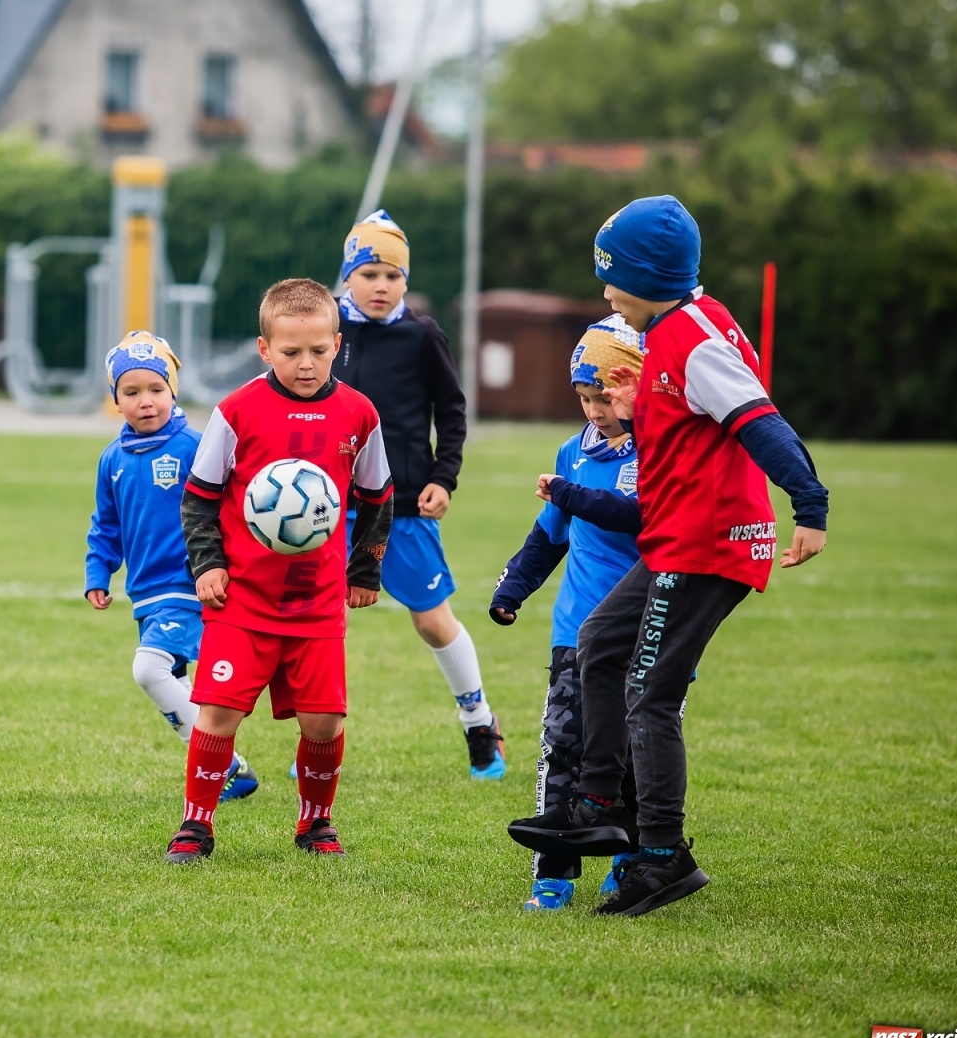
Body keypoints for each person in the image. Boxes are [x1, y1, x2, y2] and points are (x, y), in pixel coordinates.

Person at [509, 195, 829, 916]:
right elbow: (689, 426)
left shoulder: (694, 337)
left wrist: (809, 504)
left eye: (612, 279)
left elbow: (757, 419)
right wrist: (633, 409)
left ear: (648, 275)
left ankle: (660, 858)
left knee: (649, 695)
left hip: (708, 546)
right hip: (677, 541)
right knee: (599, 644)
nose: (606, 294)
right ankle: (593, 804)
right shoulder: (675, 332)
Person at [164, 278, 393, 863]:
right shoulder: (236, 411)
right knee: (218, 711)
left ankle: (316, 824)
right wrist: (208, 564)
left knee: (323, 722)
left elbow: (378, 495)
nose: (306, 363)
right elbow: (199, 496)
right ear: (264, 349)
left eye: (318, 350)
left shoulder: (359, 414)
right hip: (242, 600)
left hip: (316, 605)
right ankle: (197, 824)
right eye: (291, 352)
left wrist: (364, 571)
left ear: (337, 344)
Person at [334, 210, 504, 780]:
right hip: (328, 506)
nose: (381, 286)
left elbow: (451, 412)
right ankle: (317, 734)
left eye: (393, 276)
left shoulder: (422, 335)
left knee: (431, 621)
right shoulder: (326, 332)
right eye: (369, 274)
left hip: (402, 505)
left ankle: (480, 723)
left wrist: (443, 478)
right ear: (347, 277)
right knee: (319, 618)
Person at [491, 316, 646, 912]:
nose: (595, 412)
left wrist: (569, 493)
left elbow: (633, 515)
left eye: (604, 397)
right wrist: (513, 587)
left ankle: (634, 858)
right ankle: (552, 873)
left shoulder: (660, 448)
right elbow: (549, 536)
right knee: (564, 749)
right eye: (584, 399)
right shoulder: (571, 452)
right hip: (575, 631)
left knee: (637, 751)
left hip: (648, 625)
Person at [84, 331, 258, 802]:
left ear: (174, 390)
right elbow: (106, 525)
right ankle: (229, 769)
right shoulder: (112, 460)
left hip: (189, 585)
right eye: (132, 392)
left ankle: (218, 761)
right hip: (145, 592)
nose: (146, 401)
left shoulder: (195, 447)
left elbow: (234, 503)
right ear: (115, 400)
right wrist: (98, 573)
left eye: (156, 389)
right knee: (176, 679)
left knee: (149, 670)